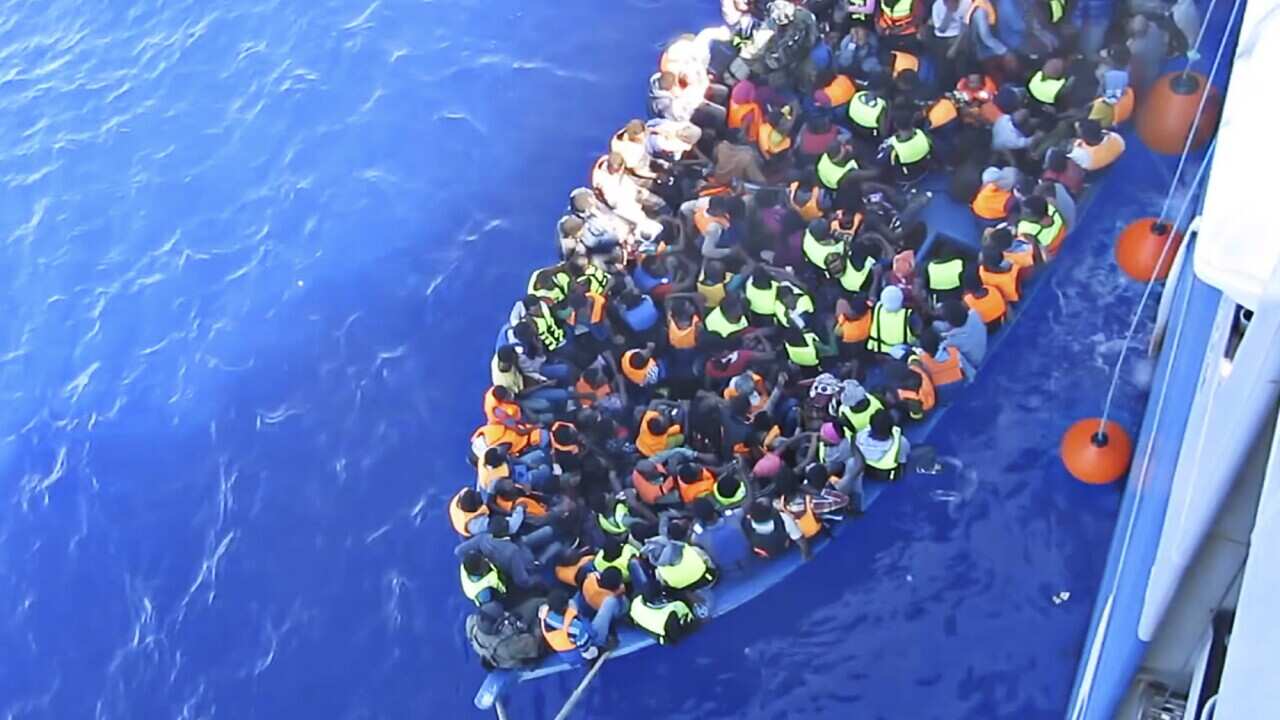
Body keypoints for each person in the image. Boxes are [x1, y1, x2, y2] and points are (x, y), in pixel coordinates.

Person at [467, 602, 545, 670]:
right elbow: (536, 643)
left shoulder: (472, 623)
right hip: (525, 647)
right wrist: (538, 621)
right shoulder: (507, 646)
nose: (506, 614)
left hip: (510, 636)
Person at [539, 590, 600, 661]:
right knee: (610, 602)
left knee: (580, 594)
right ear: (566, 606)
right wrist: (598, 651)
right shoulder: (576, 628)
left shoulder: (544, 616)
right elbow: (588, 653)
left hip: (565, 655)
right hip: (582, 654)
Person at [628, 585, 697, 645]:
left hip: (643, 626)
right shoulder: (670, 612)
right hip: (665, 636)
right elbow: (675, 635)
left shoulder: (636, 602)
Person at [856, 409, 910, 481]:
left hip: (867, 470)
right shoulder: (901, 442)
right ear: (892, 427)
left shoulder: (860, 436)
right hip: (888, 474)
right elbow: (902, 460)